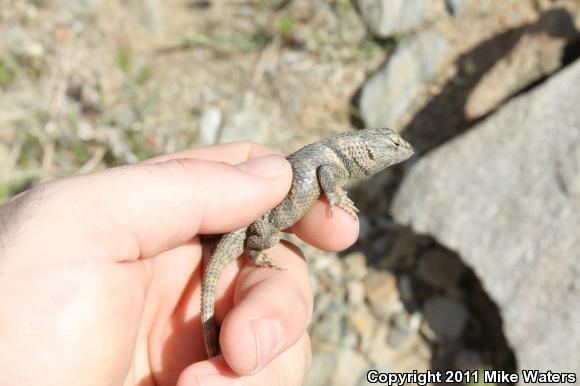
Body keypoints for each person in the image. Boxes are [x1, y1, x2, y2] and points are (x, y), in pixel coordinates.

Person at [0, 141, 359, 386]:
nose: (398, 149)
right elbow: (326, 178)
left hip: (246, 227)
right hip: (251, 227)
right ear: (367, 150)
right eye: (390, 145)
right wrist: (335, 197)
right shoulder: (332, 161)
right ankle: (257, 252)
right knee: (263, 262)